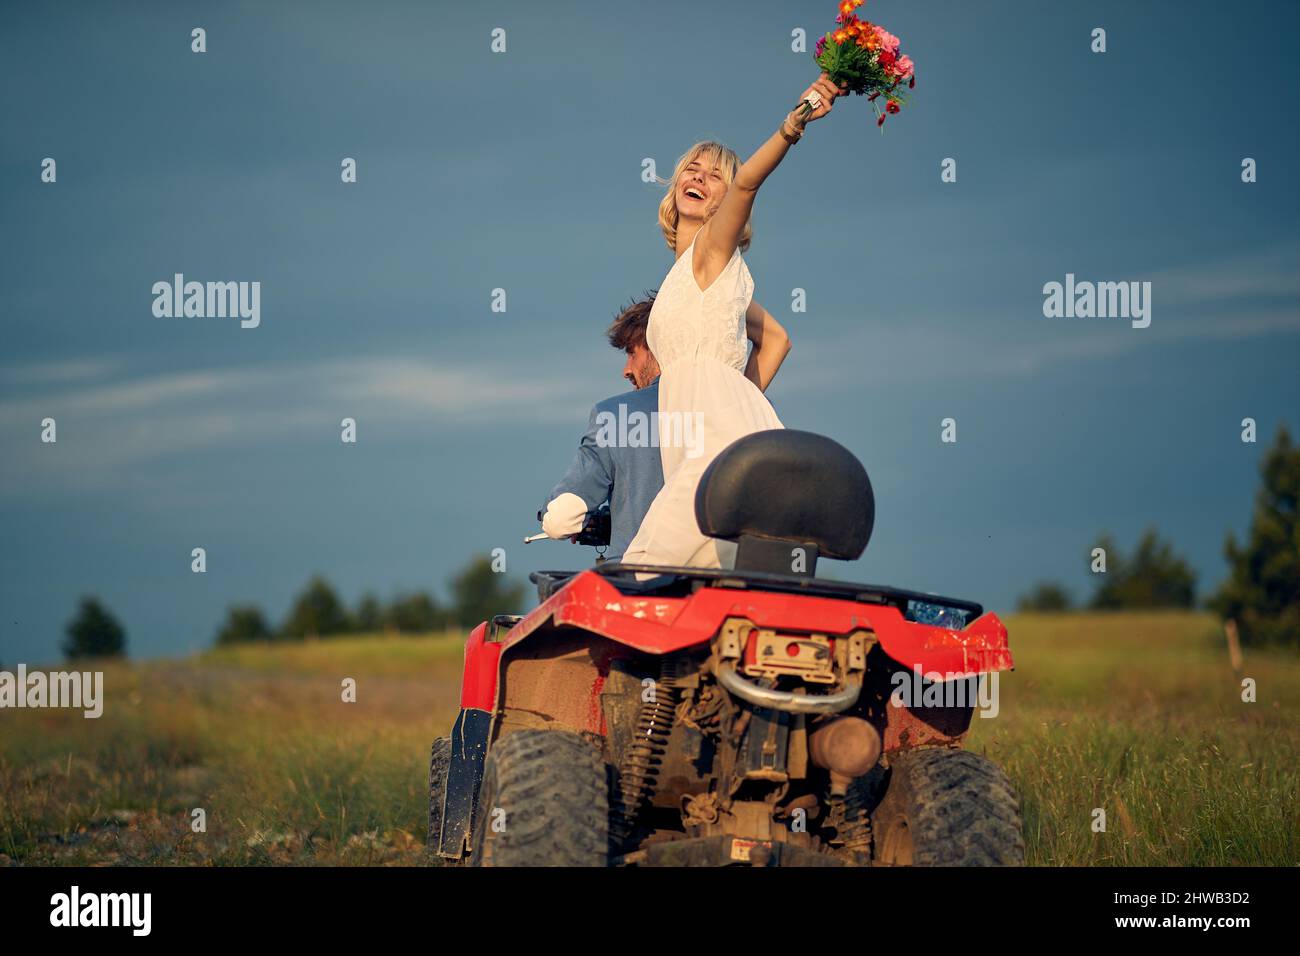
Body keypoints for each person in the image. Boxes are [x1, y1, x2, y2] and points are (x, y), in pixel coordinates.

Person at [620, 74, 842, 571]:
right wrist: (740, 399)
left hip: (714, 444)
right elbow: (778, 340)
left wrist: (793, 124)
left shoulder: (712, 250)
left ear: (726, 204)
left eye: (713, 175)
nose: (698, 178)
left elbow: (748, 181)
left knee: (644, 572)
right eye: (691, 169)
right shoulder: (700, 278)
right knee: (715, 579)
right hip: (722, 431)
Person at [541, 294, 792, 560]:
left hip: (643, 582)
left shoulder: (613, 415)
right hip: (727, 578)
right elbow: (778, 340)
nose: (626, 370)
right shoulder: (747, 409)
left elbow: (562, 520)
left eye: (632, 353)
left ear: (658, 346)